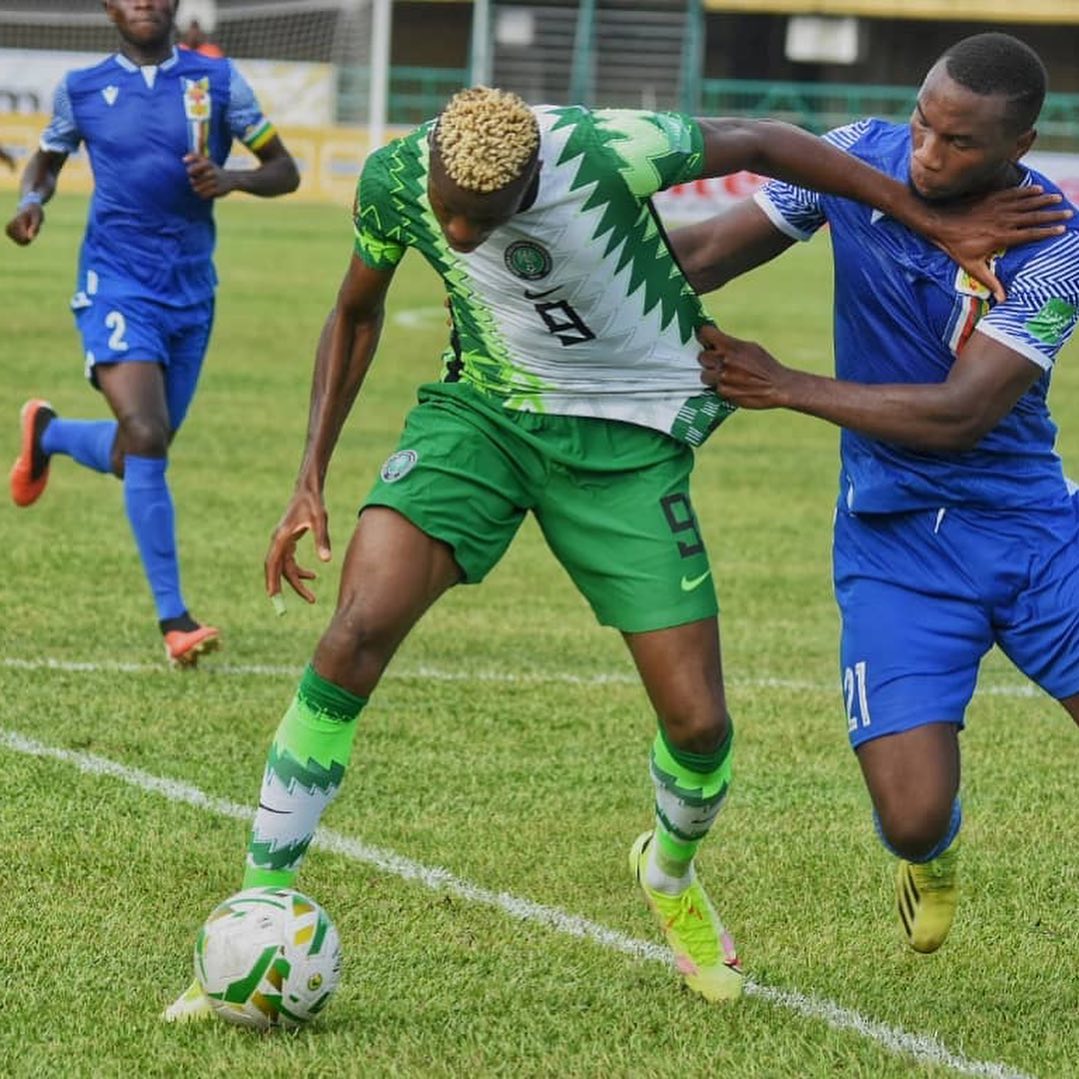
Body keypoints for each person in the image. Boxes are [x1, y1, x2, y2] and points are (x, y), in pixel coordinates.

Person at [159, 84, 1062, 1020]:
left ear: (532, 183)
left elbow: (763, 137)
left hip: (626, 440)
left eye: (484, 217)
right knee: (355, 631)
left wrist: (922, 222)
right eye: (447, 212)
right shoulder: (395, 176)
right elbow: (355, 311)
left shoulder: (603, 150)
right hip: (486, 417)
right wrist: (309, 474)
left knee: (699, 726)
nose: (461, 235)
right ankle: (251, 903)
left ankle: (667, 873)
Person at [682, 32, 1078, 954]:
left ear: (1018, 148)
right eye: (921, 124)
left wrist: (788, 385)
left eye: (958, 143)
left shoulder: (1055, 245)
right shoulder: (856, 153)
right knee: (908, 816)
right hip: (892, 542)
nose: (926, 154)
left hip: (1030, 530)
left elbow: (961, 414)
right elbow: (704, 253)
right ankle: (929, 858)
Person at [6, 0, 299, 666]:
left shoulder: (217, 82)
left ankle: (48, 433)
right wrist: (31, 203)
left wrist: (232, 179)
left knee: (141, 448)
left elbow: (286, 170)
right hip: (115, 282)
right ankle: (176, 619)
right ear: (110, 6)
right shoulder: (81, 88)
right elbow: (46, 161)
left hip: (191, 293)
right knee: (145, 434)